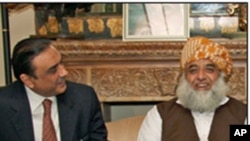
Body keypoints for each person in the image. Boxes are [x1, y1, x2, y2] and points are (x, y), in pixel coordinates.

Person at [137, 36, 246, 141]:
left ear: (221, 75)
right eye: (193, 70)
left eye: (209, 70)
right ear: (184, 76)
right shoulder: (160, 115)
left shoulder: (242, 115)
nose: (201, 76)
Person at [0, 38, 107, 141]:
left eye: (61, 63)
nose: (64, 72)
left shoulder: (84, 98)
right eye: (53, 70)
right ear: (28, 80)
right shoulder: (3, 107)